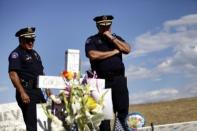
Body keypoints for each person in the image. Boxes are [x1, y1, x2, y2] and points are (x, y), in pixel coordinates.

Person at [85, 15, 131, 131]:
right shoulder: (92, 40)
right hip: (102, 82)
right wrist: (114, 52)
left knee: (122, 111)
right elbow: (92, 55)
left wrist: (112, 38)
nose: (106, 28)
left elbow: (127, 49)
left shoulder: (116, 38)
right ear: (98, 26)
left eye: (108, 26)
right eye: (103, 26)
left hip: (119, 80)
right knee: (104, 116)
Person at [8, 27, 51, 131]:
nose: (31, 42)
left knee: (44, 122)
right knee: (33, 126)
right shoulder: (16, 54)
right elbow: (13, 74)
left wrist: (48, 88)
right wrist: (22, 92)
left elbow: (41, 72)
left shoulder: (35, 53)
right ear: (21, 40)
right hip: (26, 91)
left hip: (38, 91)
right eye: (28, 40)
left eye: (33, 40)